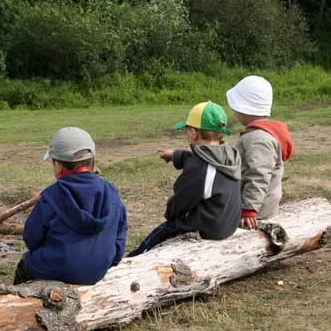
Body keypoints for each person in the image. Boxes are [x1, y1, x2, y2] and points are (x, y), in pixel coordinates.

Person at [13, 127, 127, 285]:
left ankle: (18, 302)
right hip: (98, 270)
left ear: (58, 166)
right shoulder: (112, 192)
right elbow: (119, 238)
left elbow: (31, 239)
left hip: (57, 267)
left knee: (25, 264)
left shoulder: (51, 196)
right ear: (93, 159)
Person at [127, 102, 241, 257]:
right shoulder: (229, 155)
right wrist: (175, 155)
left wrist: (171, 215)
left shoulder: (199, 166)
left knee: (155, 238)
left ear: (194, 133)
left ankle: (132, 261)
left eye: (186, 129)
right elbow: (196, 158)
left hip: (209, 229)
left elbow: (182, 200)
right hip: (227, 222)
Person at [226, 75, 296, 230]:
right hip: (259, 204)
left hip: (256, 211)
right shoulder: (259, 133)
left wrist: (249, 209)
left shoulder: (258, 138)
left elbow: (258, 175)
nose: (234, 111)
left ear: (244, 108)